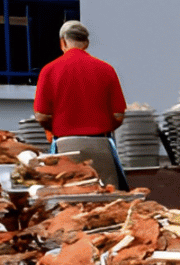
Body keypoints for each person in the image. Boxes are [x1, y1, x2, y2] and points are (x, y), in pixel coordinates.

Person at [33, 20, 128, 187]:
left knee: (70, 200)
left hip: (65, 147)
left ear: (62, 42)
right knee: (109, 199)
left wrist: (55, 127)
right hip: (101, 145)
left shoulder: (49, 70)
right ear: (87, 43)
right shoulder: (106, 69)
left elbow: (41, 116)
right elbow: (118, 115)